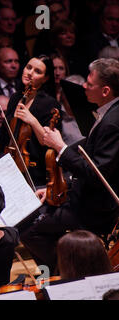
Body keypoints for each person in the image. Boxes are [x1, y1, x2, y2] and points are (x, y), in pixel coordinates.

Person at [19, 58, 119, 272]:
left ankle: (65, 275)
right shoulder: (108, 112)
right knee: (33, 214)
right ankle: (68, 270)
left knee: (28, 228)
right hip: (83, 196)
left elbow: (95, 175)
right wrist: (55, 190)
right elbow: (88, 155)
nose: (84, 86)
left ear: (105, 91)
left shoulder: (112, 123)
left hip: (95, 209)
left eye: (89, 84)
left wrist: (61, 147)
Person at [0, 55, 61, 187]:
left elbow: (49, 143)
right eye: (29, 67)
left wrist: (32, 120)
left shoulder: (50, 104)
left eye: (37, 71)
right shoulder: (15, 98)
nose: (30, 73)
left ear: (45, 79)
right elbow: (3, 138)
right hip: (9, 164)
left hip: (33, 171)